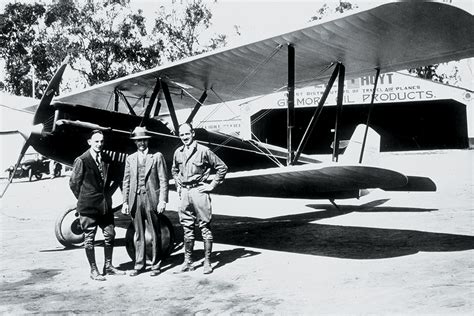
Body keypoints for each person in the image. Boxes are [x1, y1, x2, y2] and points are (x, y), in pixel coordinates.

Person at [171, 123, 228, 274]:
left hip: (199, 192)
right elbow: (174, 170)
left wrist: (212, 185)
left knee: (205, 227)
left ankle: (207, 262)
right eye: (181, 135)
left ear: (192, 133)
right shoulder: (178, 152)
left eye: (187, 134)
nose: (184, 137)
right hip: (185, 193)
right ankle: (188, 261)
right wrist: (178, 185)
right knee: (187, 228)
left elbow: (222, 167)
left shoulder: (203, 151)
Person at [69, 130, 125, 281]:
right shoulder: (82, 160)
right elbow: (74, 183)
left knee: (110, 234)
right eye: (96, 142)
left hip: (105, 206)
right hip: (88, 207)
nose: (99, 144)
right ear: (89, 142)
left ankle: (109, 266)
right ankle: (93, 270)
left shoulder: (106, 159)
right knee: (89, 238)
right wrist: (84, 199)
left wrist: (108, 195)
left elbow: (113, 179)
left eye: (101, 141)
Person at [121, 127, 169, 277]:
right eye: (138, 141)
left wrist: (162, 200)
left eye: (143, 140)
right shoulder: (130, 158)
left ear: (148, 140)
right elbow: (126, 181)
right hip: (135, 200)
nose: (141, 143)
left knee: (155, 232)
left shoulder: (156, 156)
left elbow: (163, 180)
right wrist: (125, 202)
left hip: (151, 199)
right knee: (139, 234)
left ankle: (156, 265)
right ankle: (139, 264)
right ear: (135, 142)